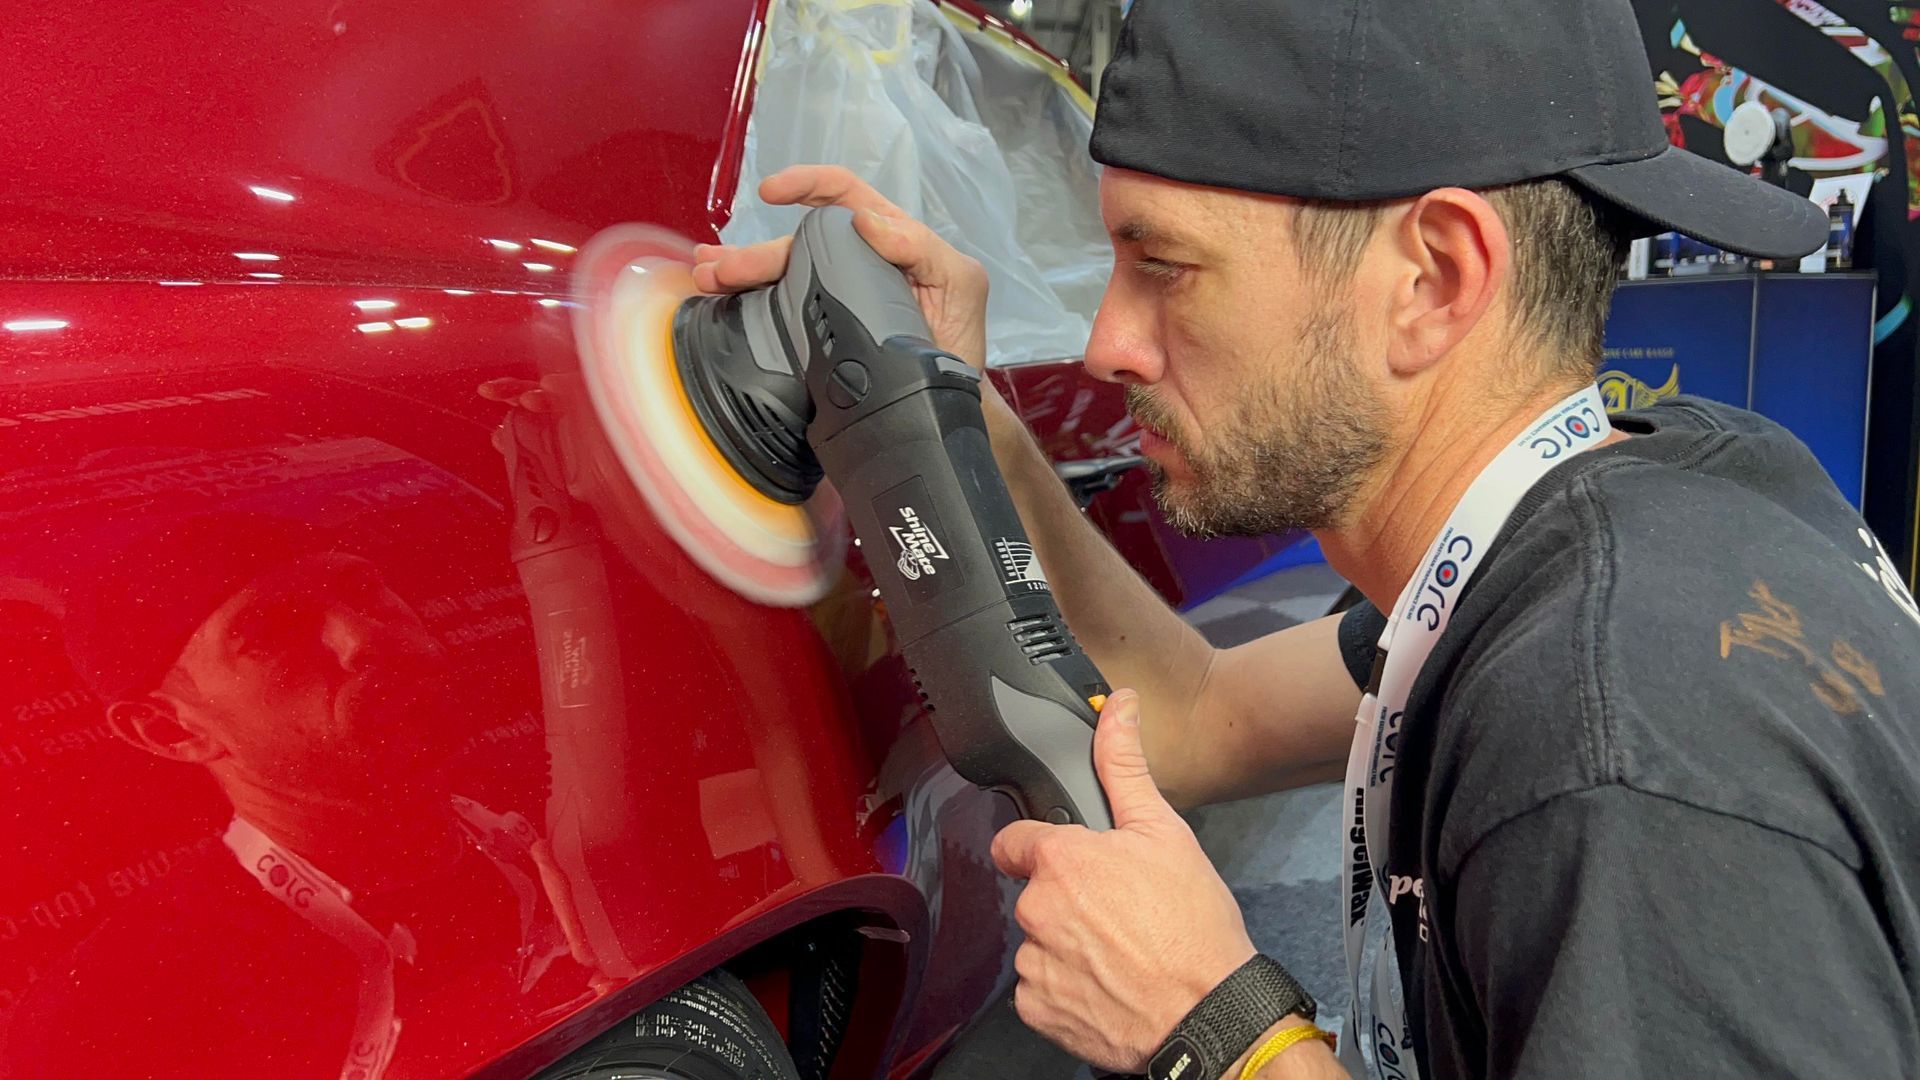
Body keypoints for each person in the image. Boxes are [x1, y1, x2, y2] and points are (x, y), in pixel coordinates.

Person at [692, 0, 1920, 1076]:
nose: (1107, 342)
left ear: (1434, 280)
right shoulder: (1630, 506)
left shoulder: (1619, 755)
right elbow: (1192, 715)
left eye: (1164, 267)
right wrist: (961, 410)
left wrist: (1218, 1034)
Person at [7, 513, 598, 1080]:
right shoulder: (110, 1021)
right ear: (172, 730)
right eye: (273, 629)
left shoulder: (577, 819)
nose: (367, 637)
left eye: (364, 588)